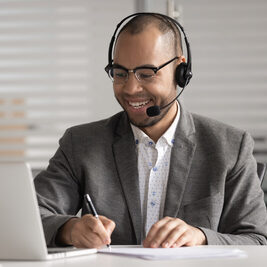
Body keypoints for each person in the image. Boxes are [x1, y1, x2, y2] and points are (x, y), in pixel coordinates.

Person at [34, 13, 267, 249]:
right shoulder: (80, 143)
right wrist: (69, 229)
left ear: (180, 71)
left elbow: (258, 240)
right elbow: (31, 216)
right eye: (120, 73)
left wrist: (201, 237)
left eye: (146, 74)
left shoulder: (229, 147)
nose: (131, 88)